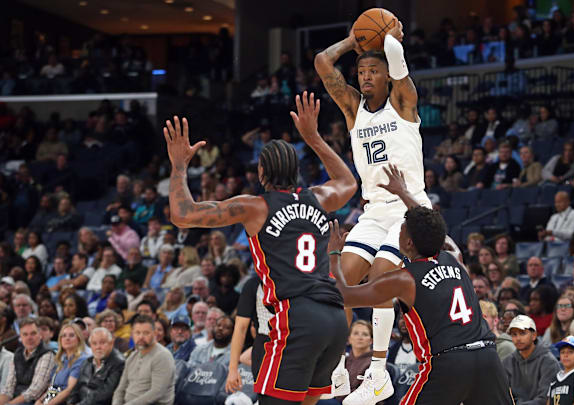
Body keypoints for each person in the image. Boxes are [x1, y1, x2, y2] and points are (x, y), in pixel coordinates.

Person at [167, 93, 355, 404]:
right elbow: (348, 181)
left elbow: (182, 215)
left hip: (297, 317)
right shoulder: (319, 197)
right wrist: (313, 138)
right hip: (334, 319)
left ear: (261, 173)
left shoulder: (254, 207)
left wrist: (178, 168)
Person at [326, 165, 514, 404]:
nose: (398, 233)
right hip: (487, 356)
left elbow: (341, 295)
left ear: (409, 243)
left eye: (402, 230)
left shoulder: (404, 279)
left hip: (448, 363)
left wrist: (334, 255)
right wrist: (403, 192)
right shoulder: (454, 257)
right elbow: (430, 225)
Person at [314, 19, 430, 403]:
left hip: (410, 207)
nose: (365, 77)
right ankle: (338, 368)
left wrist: (391, 41)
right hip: (375, 210)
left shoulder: (403, 102)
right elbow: (321, 62)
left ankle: (379, 372)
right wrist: (353, 39)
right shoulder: (353, 109)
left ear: (386, 77)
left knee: (381, 277)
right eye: (361, 71)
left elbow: (399, 66)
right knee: (338, 287)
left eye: (373, 71)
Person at [111, 315, 175, 405]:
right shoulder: (132, 356)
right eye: (137, 333)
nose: (141, 337)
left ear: (154, 334)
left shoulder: (162, 356)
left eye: (146, 333)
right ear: (132, 334)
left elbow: (157, 392)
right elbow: (120, 389)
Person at [505, 315, 561, 405]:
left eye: (522, 333)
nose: (518, 338)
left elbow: (545, 399)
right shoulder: (507, 362)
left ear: (534, 335)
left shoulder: (549, 362)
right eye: (514, 334)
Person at [0, 318, 54, 405]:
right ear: (20, 337)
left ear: (40, 335)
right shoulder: (17, 353)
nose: (29, 338)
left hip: (33, 401)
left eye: (33, 333)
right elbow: (9, 387)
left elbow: (35, 391)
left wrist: (9, 404)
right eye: (25, 334)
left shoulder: (47, 354)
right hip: (16, 398)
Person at [68, 327, 125, 405]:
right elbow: (75, 389)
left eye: (102, 343)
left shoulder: (119, 363)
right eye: (94, 343)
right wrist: (71, 402)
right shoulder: (87, 362)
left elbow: (105, 394)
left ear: (111, 343)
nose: (98, 347)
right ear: (90, 345)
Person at [37, 323, 89, 405]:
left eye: (71, 335)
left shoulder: (81, 360)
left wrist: (48, 404)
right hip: (51, 398)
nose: (67, 338)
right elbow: (51, 388)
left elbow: (69, 390)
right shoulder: (61, 360)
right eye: (64, 336)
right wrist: (39, 401)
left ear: (78, 339)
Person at [547, 336, 574, 405]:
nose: (566, 355)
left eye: (570, 352)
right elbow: (549, 402)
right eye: (562, 352)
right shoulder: (554, 378)